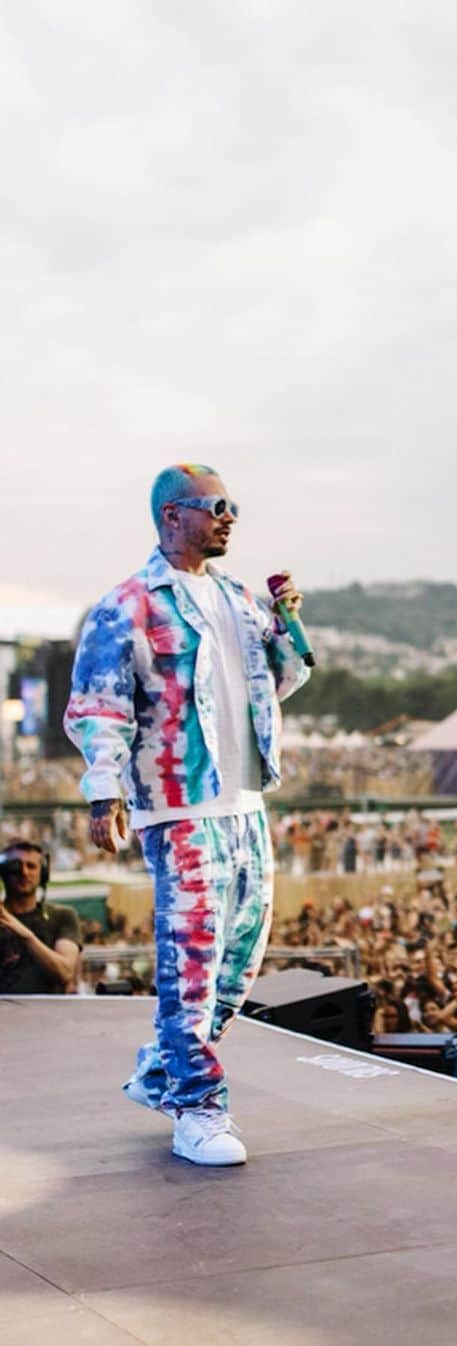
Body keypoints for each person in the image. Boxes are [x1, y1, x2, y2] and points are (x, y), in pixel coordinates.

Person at [65, 464, 310, 1166]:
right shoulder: (130, 604)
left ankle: (159, 1074)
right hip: (178, 804)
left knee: (240, 962)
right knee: (192, 963)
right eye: (216, 506)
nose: (230, 517)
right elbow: (98, 705)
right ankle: (198, 1108)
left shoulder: (237, 598)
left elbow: (284, 680)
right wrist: (104, 790)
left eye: (233, 506)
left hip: (245, 800)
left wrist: (291, 622)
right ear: (173, 517)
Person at [0, 839, 82, 994]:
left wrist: (26, 936)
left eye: (31, 866)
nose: (24, 872)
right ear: (3, 872)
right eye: (15, 866)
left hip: (47, 1014)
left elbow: (65, 971)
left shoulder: (61, 916)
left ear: (43, 872)